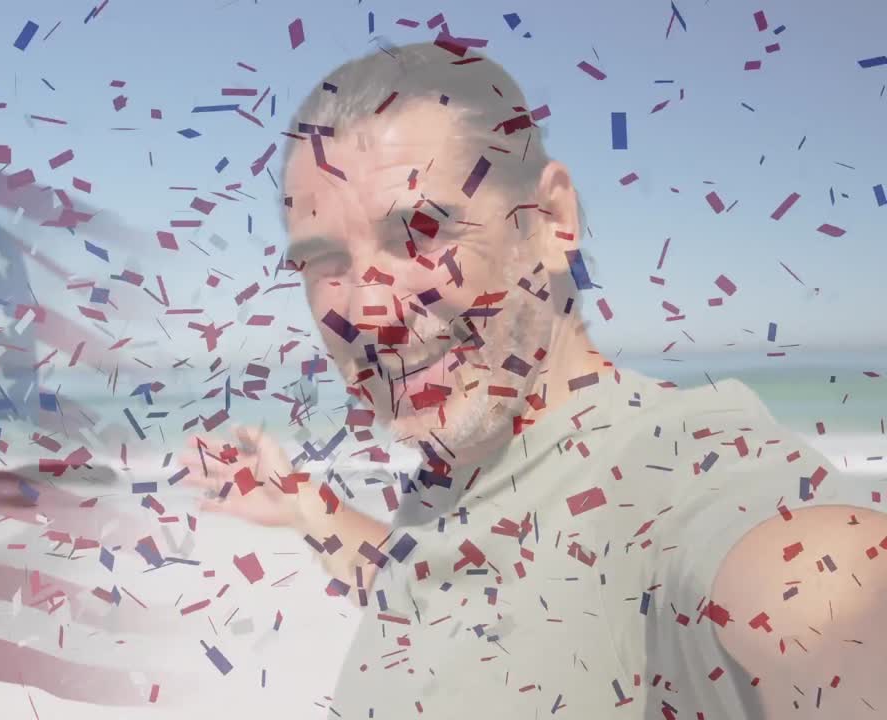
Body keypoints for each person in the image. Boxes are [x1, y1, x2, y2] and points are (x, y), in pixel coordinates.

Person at [180, 41, 887, 719]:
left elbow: (834, 605)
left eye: (420, 232)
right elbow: (433, 587)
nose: (368, 309)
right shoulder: (459, 468)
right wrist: (309, 507)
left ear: (551, 219)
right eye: (325, 260)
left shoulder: (684, 466)